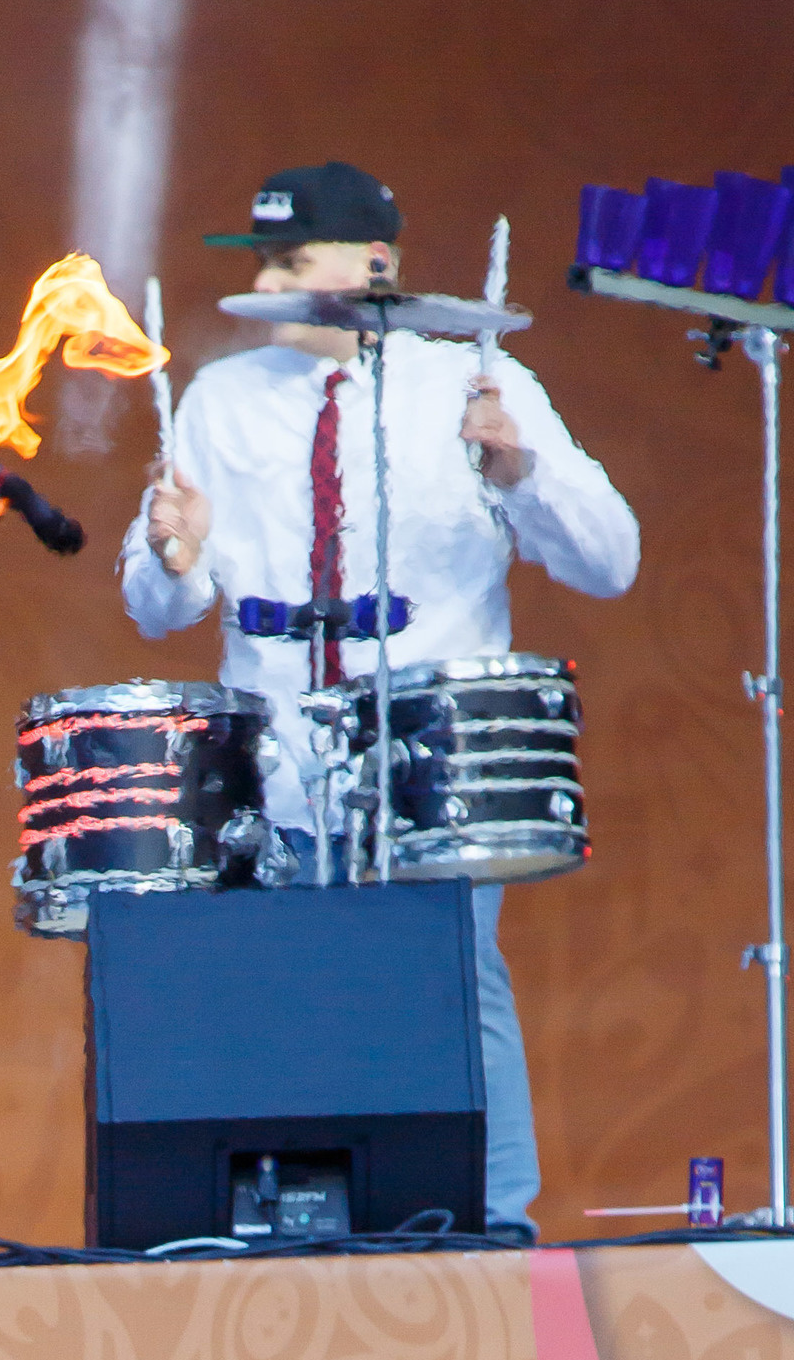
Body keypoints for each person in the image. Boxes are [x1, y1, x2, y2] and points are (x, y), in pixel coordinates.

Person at [119, 160, 641, 1234]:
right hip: (271, 755)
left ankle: (492, 1223)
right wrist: (173, 557)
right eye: (260, 258)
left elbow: (609, 560)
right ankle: (292, 1221)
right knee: (279, 993)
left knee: (447, 983)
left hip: (422, 754)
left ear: (375, 264)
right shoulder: (218, 399)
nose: (267, 279)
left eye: (288, 256)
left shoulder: (471, 380)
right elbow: (154, 606)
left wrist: (519, 472)